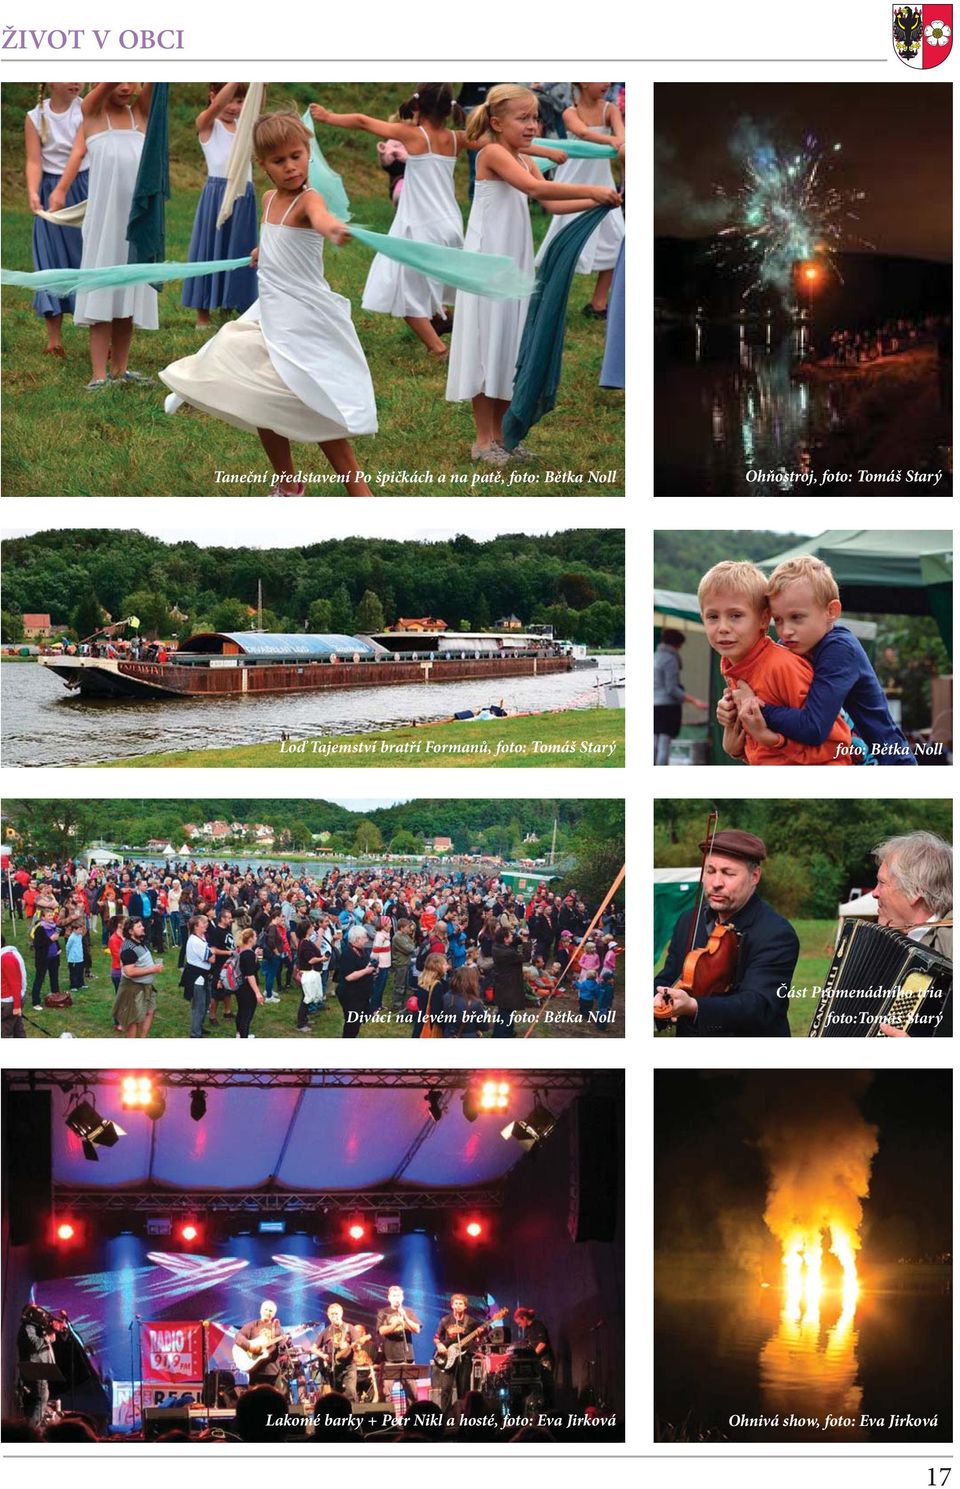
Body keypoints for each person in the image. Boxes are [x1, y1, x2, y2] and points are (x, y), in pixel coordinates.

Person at [160, 110, 376, 496]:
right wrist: (265, 249)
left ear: (307, 153)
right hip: (273, 314)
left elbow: (321, 219)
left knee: (312, 401)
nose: (290, 167)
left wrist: (333, 230)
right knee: (258, 393)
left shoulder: (311, 200)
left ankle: (360, 492)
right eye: (279, 161)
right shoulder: (270, 198)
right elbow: (278, 236)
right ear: (263, 166)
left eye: (296, 156)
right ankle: (287, 481)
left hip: (303, 319)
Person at [445, 84, 621, 466]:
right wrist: (594, 188)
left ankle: (505, 437)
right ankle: (482, 440)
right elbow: (535, 186)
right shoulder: (493, 153)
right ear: (496, 122)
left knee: (510, 344)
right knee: (486, 342)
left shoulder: (521, 157)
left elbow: (550, 203)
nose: (532, 125)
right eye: (522, 118)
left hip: (514, 261)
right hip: (488, 262)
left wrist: (601, 201)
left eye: (535, 118)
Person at [312, 84, 465, 357]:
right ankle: (443, 321)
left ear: (417, 107)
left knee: (401, 290)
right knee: (424, 281)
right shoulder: (455, 138)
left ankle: (439, 350)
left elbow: (362, 121)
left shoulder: (414, 136)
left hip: (421, 225)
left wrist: (327, 116)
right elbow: (495, 142)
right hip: (451, 225)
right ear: (449, 109)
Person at [730, 555, 918, 766]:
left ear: (831, 612)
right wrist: (732, 709)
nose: (786, 631)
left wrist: (754, 707)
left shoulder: (839, 649)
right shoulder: (790, 646)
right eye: (779, 620)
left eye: (797, 617)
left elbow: (814, 727)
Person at [50, 83, 158, 388]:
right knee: (103, 291)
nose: (126, 86)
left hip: (136, 223)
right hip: (104, 223)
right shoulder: (92, 113)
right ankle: (99, 374)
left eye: (132, 80)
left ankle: (119, 370)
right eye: (117, 78)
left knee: (128, 293)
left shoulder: (141, 114)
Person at [699, 561, 853, 766]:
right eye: (712, 617)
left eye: (736, 616)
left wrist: (776, 741)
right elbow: (766, 753)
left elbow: (837, 745)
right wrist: (735, 746)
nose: (723, 627)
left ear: (764, 619)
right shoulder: (732, 665)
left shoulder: (782, 667)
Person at [654, 829, 799, 1037]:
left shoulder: (777, 933)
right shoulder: (689, 919)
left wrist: (694, 1007)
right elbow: (668, 977)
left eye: (728, 873)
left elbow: (759, 1004)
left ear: (754, 876)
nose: (716, 883)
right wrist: (658, 998)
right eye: (710, 871)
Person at [534, 82, 625, 317]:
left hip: (601, 181)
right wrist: (612, 142)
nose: (607, 83)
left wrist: (622, 145)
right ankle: (547, 298)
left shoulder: (610, 109)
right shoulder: (570, 113)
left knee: (618, 239)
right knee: (563, 243)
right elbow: (583, 133)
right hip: (573, 181)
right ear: (583, 82)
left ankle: (599, 302)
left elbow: (622, 137)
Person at [182, 84, 258, 326]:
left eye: (239, 101)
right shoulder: (208, 124)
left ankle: (231, 306)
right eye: (230, 100)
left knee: (240, 250)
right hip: (217, 194)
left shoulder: (246, 128)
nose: (234, 107)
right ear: (214, 97)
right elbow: (215, 107)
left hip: (243, 194)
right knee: (208, 250)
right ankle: (202, 315)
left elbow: (257, 105)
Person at [24, 82, 88, 356]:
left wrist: (63, 188)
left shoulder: (86, 108)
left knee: (88, 257)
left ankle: (101, 331)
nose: (76, 81)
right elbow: (34, 160)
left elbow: (79, 151)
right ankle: (54, 341)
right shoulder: (35, 116)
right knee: (49, 259)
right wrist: (33, 191)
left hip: (82, 187)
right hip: (49, 189)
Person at [872, 832, 953, 1037]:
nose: (874, 893)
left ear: (916, 891)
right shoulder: (885, 938)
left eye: (882, 883)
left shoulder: (951, 942)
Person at [654, 628, 706, 765]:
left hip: (654, 705)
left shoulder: (655, 656)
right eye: (680, 646)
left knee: (654, 743)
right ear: (676, 644)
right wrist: (694, 701)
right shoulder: (670, 659)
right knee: (664, 744)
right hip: (667, 707)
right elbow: (671, 689)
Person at [114, 917, 163, 1037]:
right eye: (139, 926)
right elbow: (129, 971)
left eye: (142, 925)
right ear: (130, 931)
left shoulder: (140, 941)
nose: (143, 928)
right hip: (133, 988)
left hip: (146, 986)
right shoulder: (128, 948)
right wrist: (152, 969)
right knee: (133, 1019)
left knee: (149, 1012)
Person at [433, 1294, 479, 1410]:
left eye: (461, 1304)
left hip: (465, 1358)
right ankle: (446, 1418)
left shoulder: (471, 1322)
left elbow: (478, 1340)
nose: (458, 1306)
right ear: (452, 1305)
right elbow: (436, 1337)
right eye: (456, 1303)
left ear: (465, 1307)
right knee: (446, 1389)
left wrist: (478, 1335)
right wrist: (439, 1345)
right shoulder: (445, 1320)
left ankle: (463, 1416)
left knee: (464, 1389)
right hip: (448, 1357)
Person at [377, 1285, 422, 1405]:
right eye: (394, 1296)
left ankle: (412, 1420)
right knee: (386, 1393)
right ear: (389, 1298)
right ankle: (387, 1420)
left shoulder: (409, 1311)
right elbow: (381, 1331)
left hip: (407, 1357)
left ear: (402, 1298)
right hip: (389, 1358)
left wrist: (405, 1318)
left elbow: (417, 1329)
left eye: (399, 1296)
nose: (396, 1298)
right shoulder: (383, 1312)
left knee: (413, 1394)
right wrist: (394, 1325)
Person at [312, 1303, 363, 1403]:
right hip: (334, 1369)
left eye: (336, 1313)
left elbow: (358, 1346)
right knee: (336, 1397)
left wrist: (354, 1346)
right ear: (328, 1315)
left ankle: (354, 1417)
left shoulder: (349, 1328)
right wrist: (323, 1355)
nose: (334, 1316)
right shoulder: (326, 1331)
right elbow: (313, 1348)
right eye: (331, 1314)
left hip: (348, 1367)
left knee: (350, 1394)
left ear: (341, 1313)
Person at [17, 1305, 58, 1429]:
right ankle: (31, 1433)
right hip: (34, 1368)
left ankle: (30, 1431)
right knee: (40, 1399)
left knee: (40, 1399)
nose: (43, 1317)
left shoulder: (35, 1328)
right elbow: (34, 1344)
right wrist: (47, 1337)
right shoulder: (28, 1327)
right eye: (39, 1314)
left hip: (37, 1368)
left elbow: (47, 1341)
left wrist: (51, 1332)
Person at [490, 924, 531, 1037]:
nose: (512, 937)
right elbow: (526, 957)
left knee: (506, 1011)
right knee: (505, 1013)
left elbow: (512, 942)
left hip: (503, 985)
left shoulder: (497, 946)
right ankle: (501, 1036)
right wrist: (526, 941)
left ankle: (507, 1033)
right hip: (508, 987)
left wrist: (520, 935)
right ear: (505, 939)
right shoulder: (507, 953)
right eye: (510, 935)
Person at [335, 923, 376, 1037]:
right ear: (357, 939)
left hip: (361, 994)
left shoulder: (362, 951)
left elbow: (364, 966)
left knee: (357, 1023)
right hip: (350, 995)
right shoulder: (348, 953)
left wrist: (371, 969)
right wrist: (366, 971)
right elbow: (348, 976)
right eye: (364, 938)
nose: (367, 940)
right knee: (352, 1024)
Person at [236, 1302, 286, 1388]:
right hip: (256, 1371)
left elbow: (282, 1347)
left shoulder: (278, 1329)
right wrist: (250, 1347)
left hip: (273, 1372)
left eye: (271, 1311)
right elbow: (238, 1337)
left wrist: (284, 1341)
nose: (268, 1312)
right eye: (265, 1309)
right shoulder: (252, 1326)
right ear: (260, 1311)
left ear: (273, 1314)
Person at [181, 913, 214, 1038]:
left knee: (205, 1004)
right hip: (197, 978)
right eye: (203, 923)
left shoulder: (202, 937)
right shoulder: (196, 941)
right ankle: (195, 1034)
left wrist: (211, 951)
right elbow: (212, 959)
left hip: (203, 976)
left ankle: (199, 1026)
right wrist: (212, 952)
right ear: (196, 927)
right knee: (198, 1006)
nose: (206, 925)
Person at [513, 1306, 554, 1406]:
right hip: (536, 1361)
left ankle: (549, 1409)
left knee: (546, 1385)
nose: (519, 1326)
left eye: (519, 1323)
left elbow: (542, 1343)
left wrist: (533, 1356)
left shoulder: (538, 1325)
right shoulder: (527, 1330)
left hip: (544, 1360)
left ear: (524, 1318)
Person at [234, 926, 264, 1039]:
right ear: (250, 939)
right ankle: (243, 1036)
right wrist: (257, 992)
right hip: (247, 988)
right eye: (255, 936)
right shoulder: (249, 954)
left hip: (240, 986)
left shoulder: (241, 951)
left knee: (241, 1011)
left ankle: (239, 1034)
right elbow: (250, 975)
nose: (256, 938)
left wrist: (256, 956)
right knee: (247, 1014)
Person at [30, 911, 62, 1010]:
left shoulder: (54, 927)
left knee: (54, 977)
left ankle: (56, 997)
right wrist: (50, 939)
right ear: (43, 918)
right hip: (43, 958)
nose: (51, 917)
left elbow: (56, 939)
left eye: (52, 915)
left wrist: (58, 948)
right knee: (40, 979)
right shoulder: (40, 929)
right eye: (49, 915)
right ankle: (36, 1002)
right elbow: (38, 945)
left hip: (54, 957)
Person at [1, 938, 28, 1038]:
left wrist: (16, 1006)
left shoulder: (6, 958)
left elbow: (15, 983)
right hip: (11, 1001)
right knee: (18, 1029)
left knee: (4, 1032)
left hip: (8, 1002)